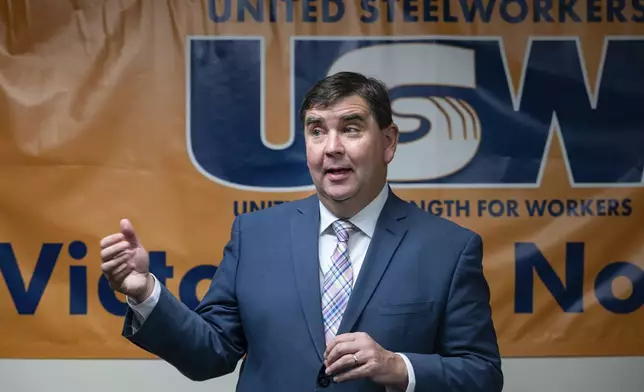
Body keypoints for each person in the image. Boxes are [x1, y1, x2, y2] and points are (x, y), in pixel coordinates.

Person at [99, 71, 503, 392]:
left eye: (350, 128)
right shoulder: (254, 235)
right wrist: (144, 292)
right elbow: (210, 355)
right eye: (316, 130)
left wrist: (398, 366)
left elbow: (483, 375)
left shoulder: (450, 249)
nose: (331, 147)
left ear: (388, 142)